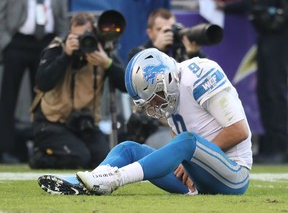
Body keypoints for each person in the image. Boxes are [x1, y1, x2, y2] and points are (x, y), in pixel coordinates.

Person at [38, 48, 253, 195]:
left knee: (188, 141)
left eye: (155, 96)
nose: (154, 105)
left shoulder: (200, 73)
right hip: (195, 178)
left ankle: (114, 179)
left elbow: (238, 130)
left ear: (165, 78)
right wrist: (187, 162)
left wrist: (193, 159)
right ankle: (88, 182)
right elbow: (180, 143)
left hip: (233, 173)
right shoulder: (171, 95)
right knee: (128, 148)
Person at [28, 12, 127, 169]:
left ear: (94, 33)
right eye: (77, 37)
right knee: (78, 157)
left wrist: (107, 63)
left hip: (84, 124)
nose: (82, 41)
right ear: (69, 34)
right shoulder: (57, 48)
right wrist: (66, 56)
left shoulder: (102, 51)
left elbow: (126, 85)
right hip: (52, 122)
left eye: (86, 35)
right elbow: (42, 83)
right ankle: (40, 156)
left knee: (104, 162)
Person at [216, 0, 288, 163]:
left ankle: (281, 146)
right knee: (264, 92)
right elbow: (249, 2)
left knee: (274, 92)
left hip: (280, 36)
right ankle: (270, 145)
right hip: (266, 37)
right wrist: (223, 7)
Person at [0, 0, 69, 163]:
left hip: (47, 43)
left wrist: (60, 42)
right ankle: (5, 149)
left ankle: (44, 146)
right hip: (17, 41)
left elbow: (63, 19)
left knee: (43, 100)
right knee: (8, 98)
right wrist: (5, 42)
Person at [125, 8, 207, 146]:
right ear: (150, 33)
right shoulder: (139, 55)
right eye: (161, 30)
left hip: (187, 122)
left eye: (171, 30)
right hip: (153, 124)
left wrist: (193, 54)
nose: (168, 34)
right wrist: (157, 49)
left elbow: (203, 78)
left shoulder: (183, 53)